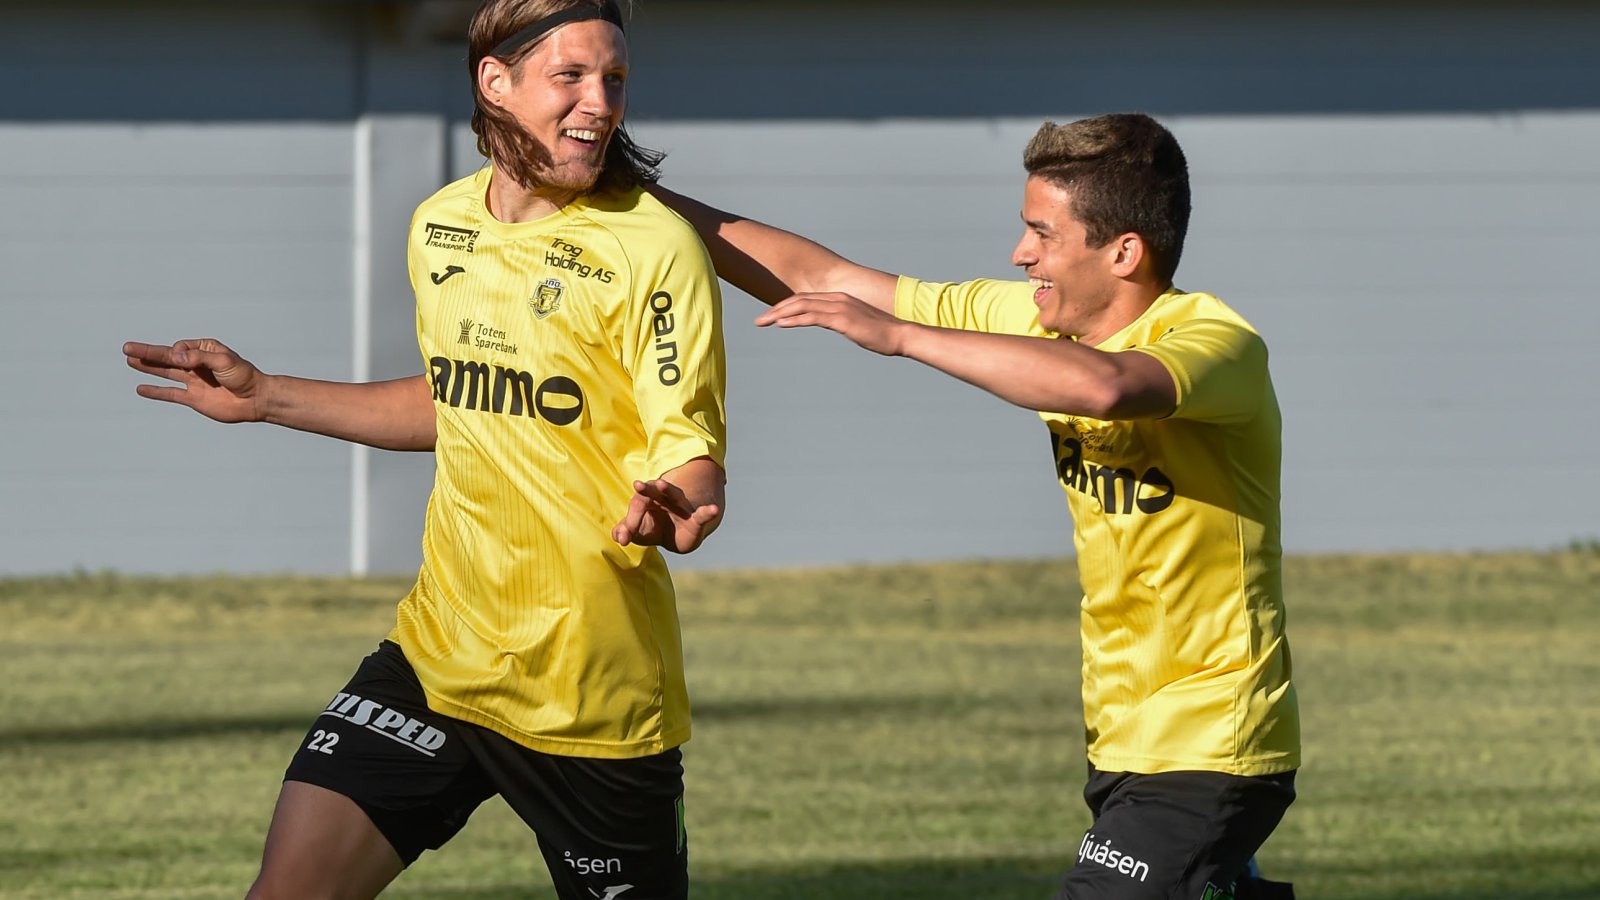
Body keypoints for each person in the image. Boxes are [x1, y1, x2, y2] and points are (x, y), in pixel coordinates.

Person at [122, 2, 726, 898]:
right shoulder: (441, 224)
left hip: (587, 692)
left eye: (615, 79)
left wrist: (684, 504)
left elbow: (690, 450)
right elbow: (460, 403)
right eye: (571, 76)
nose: (599, 102)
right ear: (495, 81)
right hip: (439, 657)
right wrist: (267, 397)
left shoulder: (655, 247)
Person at [653, 113, 1299, 900]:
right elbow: (824, 277)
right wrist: (638, 196)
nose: (1020, 254)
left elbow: (1108, 388)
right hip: (1123, 738)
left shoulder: (1217, 343)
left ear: (1124, 252)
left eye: (1043, 234)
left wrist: (902, 337)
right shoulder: (1040, 322)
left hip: (1213, 738)